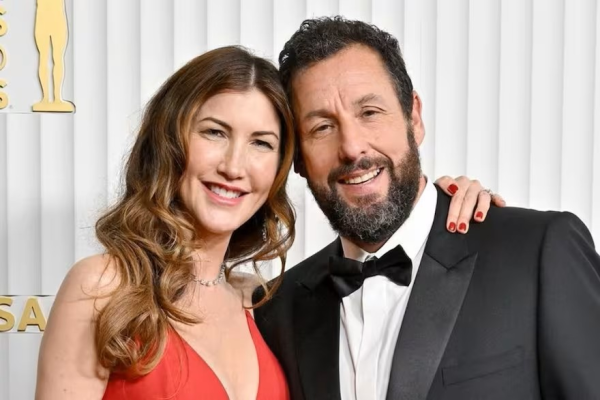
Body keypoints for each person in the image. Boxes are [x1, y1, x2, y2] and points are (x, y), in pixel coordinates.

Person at [35, 46, 497, 399]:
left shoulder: (262, 304)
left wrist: (442, 207)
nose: (234, 166)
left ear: (282, 166)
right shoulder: (103, 289)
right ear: (170, 140)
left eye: (261, 143)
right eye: (214, 132)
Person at [253, 16, 600, 400]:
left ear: (413, 117)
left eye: (370, 112)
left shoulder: (538, 253)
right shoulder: (278, 310)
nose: (351, 147)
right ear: (297, 158)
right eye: (322, 127)